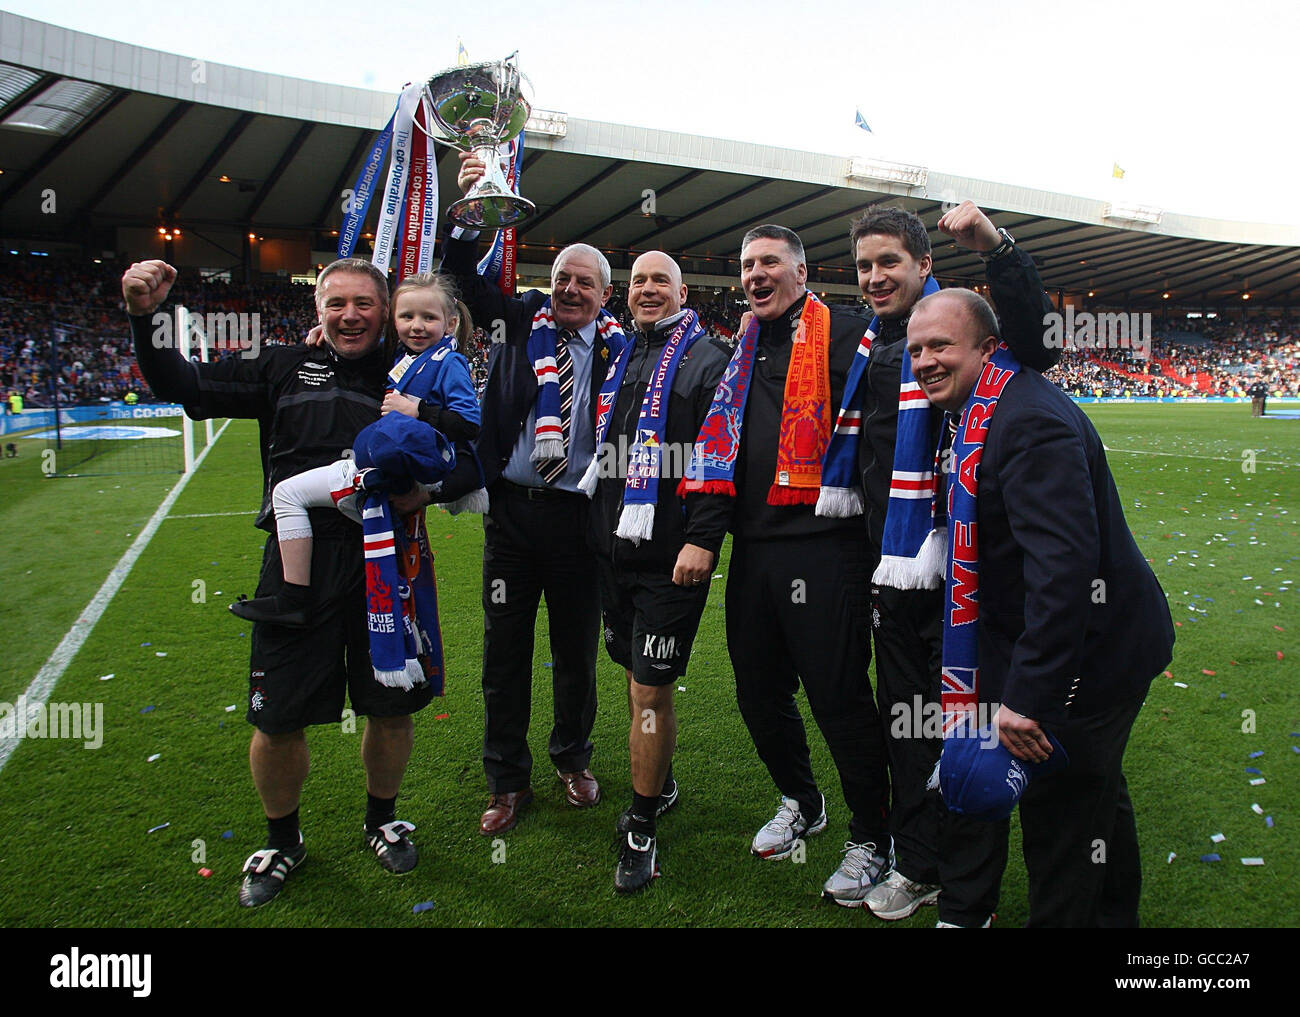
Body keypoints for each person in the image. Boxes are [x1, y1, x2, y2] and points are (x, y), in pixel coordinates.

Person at [123, 257, 435, 907]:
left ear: (384, 311)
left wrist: (425, 490)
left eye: (364, 303)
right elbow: (179, 381)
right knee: (277, 716)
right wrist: (144, 316)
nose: (350, 314)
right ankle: (283, 838)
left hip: (385, 561)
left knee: (390, 706)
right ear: (317, 311)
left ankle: (382, 819)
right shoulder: (283, 365)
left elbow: (464, 445)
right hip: (297, 565)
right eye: (336, 303)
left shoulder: (410, 372)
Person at [906, 288, 1174, 927]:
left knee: (1062, 821)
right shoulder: (983, 405)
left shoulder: (1025, 418)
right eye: (916, 349)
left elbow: (1064, 572)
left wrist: (1028, 697)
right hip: (1081, 641)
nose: (924, 361)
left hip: (1093, 652)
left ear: (989, 348)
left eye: (941, 345)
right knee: (1095, 800)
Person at [819, 205, 1058, 920]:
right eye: (864, 265)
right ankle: (916, 863)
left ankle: (967, 893)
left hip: (966, 585)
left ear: (925, 265)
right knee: (910, 729)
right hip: (892, 582)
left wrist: (998, 249)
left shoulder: (957, 334)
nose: (875, 276)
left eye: (889, 260)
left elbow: (1040, 342)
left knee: (965, 734)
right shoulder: (861, 346)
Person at [684, 224, 893, 900]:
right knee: (757, 690)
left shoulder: (849, 332)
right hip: (755, 549)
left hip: (827, 549)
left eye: (770, 261)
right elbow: (717, 451)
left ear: (803, 272)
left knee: (839, 697)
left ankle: (873, 835)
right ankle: (802, 799)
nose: (755, 274)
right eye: (747, 264)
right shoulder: (737, 348)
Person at [442, 152, 628, 836]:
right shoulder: (519, 321)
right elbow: (461, 278)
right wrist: (473, 210)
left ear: (606, 294)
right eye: (560, 279)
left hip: (582, 522)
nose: (570, 290)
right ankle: (506, 778)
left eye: (584, 282)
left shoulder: (624, 350)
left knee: (577, 652)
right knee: (505, 650)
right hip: (514, 519)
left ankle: (572, 759)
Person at [580, 251, 733, 893]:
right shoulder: (622, 354)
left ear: (681, 291)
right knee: (632, 670)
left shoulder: (706, 359)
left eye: (658, 282)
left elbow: (718, 452)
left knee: (649, 689)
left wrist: (701, 539)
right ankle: (659, 782)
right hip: (614, 553)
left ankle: (642, 823)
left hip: (671, 560)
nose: (646, 290)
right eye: (637, 281)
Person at [228, 273, 481, 628]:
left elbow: (470, 425)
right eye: (407, 317)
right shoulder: (408, 356)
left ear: (450, 322)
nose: (417, 326)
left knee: (286, 493)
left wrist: (418, 411)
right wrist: (324, 336)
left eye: (429, 318)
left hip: (390, 465)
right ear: (392, 321)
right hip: (389, 461)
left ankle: (293, 596)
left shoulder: (448, 361)